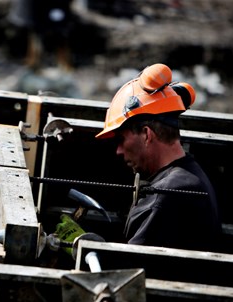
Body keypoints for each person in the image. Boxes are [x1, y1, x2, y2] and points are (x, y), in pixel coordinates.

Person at [94, 63, 222, 251]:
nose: (118, 151)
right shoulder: (190, 175)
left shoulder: (165, 198)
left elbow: (127, 271)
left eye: (122, 139)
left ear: (146, 134)